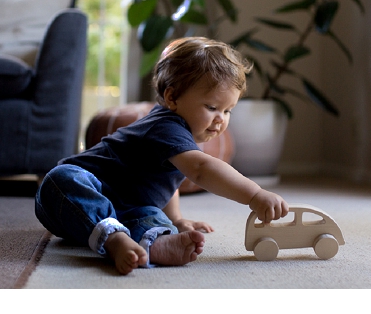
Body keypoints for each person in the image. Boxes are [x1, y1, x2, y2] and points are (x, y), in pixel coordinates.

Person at [35, 37, 289, 275]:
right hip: (68, 200)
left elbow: (168, 183)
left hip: (124, 209)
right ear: (172, 97)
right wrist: (255, 195)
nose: (220, 119)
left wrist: (176, 219)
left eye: (228, 110)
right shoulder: (165, 126)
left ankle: (153, 243)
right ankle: (113, 239)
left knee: (148, 213)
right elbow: (201, 169)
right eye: (212, 107)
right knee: (61, 177)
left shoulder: (181, 140)